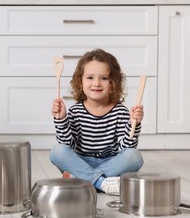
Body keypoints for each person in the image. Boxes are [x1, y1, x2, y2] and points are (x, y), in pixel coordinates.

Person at [49, 48, 144, 196]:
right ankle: (101, 183)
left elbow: (125, 148)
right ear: (80, 81)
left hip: (110, 164)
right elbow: (67, 145)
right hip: (81, 163)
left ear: (114, 82)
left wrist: (134, 124)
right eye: (90, 78)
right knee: (57, 151)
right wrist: (61, 119)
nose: (97, 83)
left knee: (134, 156)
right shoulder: (75, 111)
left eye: (104, 78)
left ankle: (81, 181)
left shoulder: (120, 112)